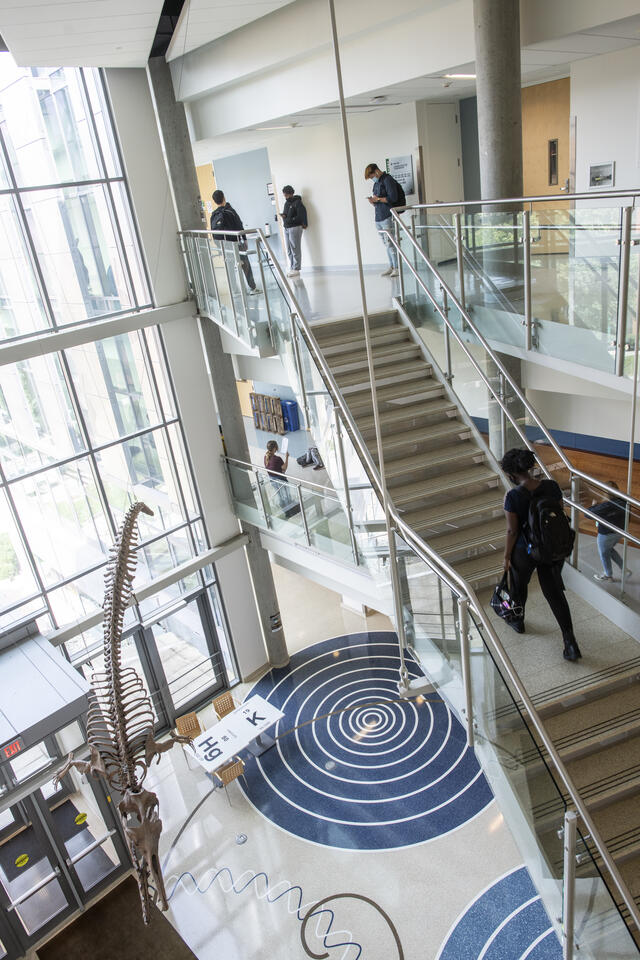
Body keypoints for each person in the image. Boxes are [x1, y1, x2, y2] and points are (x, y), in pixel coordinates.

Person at [500, 447, 581, 662]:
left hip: (524, 551)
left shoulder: (513, 496)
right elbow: (558, 514)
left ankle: (517, 621)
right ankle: (570, 643)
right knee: (555, 594)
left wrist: (507, 556)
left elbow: (512, 530)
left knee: (519, 585)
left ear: (511, 474)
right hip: (549, 548)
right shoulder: (552, 487)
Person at [210, 190, 260, 295]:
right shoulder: (230, 211)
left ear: (214, 201)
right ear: (224, 198)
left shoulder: (214, 215)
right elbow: (239, 226)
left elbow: (213, 232)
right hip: (236, 243)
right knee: (245, 265)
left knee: (230, 267)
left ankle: (235, 290)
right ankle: (253, 288)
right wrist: (244, 239)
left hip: (224, 245)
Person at [364, 162, 405, 278]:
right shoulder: (376, 184)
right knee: (385, 244)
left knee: (390, 243)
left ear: (376, 171)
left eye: (372, 176)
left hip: (387, 215)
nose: (373, 179)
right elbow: (378, 201)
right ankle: (391, 266)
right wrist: (373, 201)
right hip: (378, 216)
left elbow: (393, 197)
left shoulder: (388, 180)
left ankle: (397, 267)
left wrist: (379, 199)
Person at [590, 481, 630, 582]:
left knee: (604, 553)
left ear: (605, 492)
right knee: (610, 550)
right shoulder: (623, 501)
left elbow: (588, 514)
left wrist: (594, 506)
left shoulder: (607, 505)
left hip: (605, 534)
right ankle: (624, 569)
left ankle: (608, 575)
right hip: (619, 532)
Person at [281, 185, 308, 278]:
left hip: (295, 228)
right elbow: (286, 214)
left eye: (287, 195)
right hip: (287, 228)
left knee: (295, 248)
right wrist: (283, 216)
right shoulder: (286, 203)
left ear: (291, 193)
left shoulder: (298, 202)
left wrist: (290, 219)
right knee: (289, 249)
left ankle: (296, 268)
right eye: (284, 195)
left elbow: (300, 217)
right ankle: (292, 267)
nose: (286, 197)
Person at [264, 439, 290, 509]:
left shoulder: (266, 457)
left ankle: (284, 508)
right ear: (275, 448)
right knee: (286, 495)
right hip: (281, 480)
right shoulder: (277, 459)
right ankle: (289, 509)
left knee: (280, 495)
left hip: (272, 480)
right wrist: (287, 457)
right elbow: (284, 468)